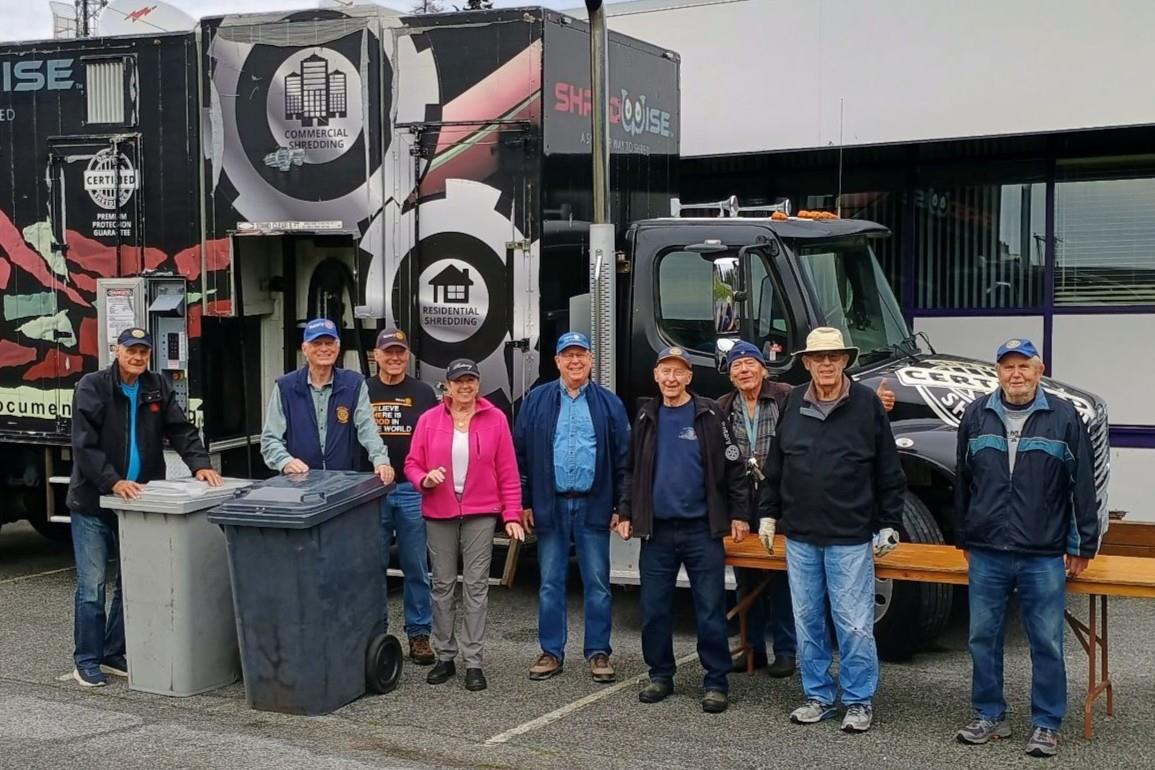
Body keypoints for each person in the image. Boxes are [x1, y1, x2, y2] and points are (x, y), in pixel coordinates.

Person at [953, 338, 1098, 759]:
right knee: (982, 637)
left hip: (1043, 552)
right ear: (998, 372)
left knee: (1047, 641)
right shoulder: (976, 414)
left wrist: (1082, 542)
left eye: (1024, 366)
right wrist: (964, 536)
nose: (1015, 374)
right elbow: (963, 481)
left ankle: (1047, 723)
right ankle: (989, 715)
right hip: (987, 549)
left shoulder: (1064, 417)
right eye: (1008, 367)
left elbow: (1082, 485)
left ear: (1039, 370)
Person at [758, 327, 905, 733]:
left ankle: (858, 701)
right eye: (818, 358)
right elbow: (776, 466)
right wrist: (768, 514)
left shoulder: (867, 404)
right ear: (806, 363)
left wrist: (890, 522)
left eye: (833, 357)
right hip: (800, 536)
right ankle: (818, 696)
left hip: (850, 536)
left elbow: (889, 470)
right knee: (807, 622)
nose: (826, 364)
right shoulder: (792, 402)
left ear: (844, 361)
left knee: (854, 624)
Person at [67, 327, 222, 687]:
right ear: (117, 350)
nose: (137, 357)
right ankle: (86, 659)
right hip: (94, 502)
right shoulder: (92, 387)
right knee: (92, 586)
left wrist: (200, 464)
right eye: (131, 350)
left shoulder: (157, 386)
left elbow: (181, 429)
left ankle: (113, 651)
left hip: (138, 503)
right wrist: (112, 481)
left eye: (143, 352)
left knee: (133, 582)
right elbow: (84, 444)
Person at [616, 346, 748, 714]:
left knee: (709, 610)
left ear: (689, 376)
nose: (671, 379)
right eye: (665, 371)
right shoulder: (646, 415)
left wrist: (739, 514)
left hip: (702, 531)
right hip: (657, 532)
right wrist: (625, 512)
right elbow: (630, 470)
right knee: (654, 609)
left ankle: (716, 682)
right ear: (656, 376)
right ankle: (660, 674)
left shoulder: (710, 413)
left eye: (678, 372)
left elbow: (734, 468)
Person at [515, 331, 630, 684]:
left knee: (597, 583)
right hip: (551, 505)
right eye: (568, 355)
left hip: (594, 505)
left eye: (581, 355)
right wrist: (525, 502)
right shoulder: (536, 400)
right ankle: (551, 652)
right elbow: (520, 454)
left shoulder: (609, 404)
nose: (575, 361)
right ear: (557, 362)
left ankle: (598, 652)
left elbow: (624, 459)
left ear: (591, 360)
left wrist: (620, 505)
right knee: (550, 582)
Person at [404, 358, 525, 692]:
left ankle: (473, 661)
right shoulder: (429, 420)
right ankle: (445, 656)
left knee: (475, 587)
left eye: (470, 380)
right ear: (448, 385)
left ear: (478, 384)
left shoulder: (495, 419)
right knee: (442, 585)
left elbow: (508, 471)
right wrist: (424, 479)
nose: (465, 386)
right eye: (459, 381)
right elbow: (412, 463)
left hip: (481, 512)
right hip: (439, 510)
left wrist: (512, 515)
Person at [717, 341, 796, 677]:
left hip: (780, 499)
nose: (744, 370)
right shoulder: (723, 406)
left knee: (780, 578)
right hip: (742, 502)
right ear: (730, 376)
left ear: (764, 369)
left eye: (750, 363)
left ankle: (786, 651)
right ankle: (752, 649)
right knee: (745, 579)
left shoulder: (785, 396)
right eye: (737, 366)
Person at [367, 328, 439, 665]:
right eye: (388, 352)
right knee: (372, 567)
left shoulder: (423, 393)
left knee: (416, 566)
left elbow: (435, 438)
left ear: (407, 355)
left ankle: (419, 634)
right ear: (376, 355)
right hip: (372, 492)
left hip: (412, 491)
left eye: (400, 352)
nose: (394, 358)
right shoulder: (362, 391)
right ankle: (374, 633)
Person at [259, 318, 394, 485]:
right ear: (304, 349)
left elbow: (368, 429)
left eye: (329, 343)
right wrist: (285, 461)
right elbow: (270, 439)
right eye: (317, 343)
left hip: (343, 484)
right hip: (299, 485)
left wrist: (381, 460)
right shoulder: (285, 387)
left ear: (337, 348)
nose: (324, 348)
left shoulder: (354, 384)